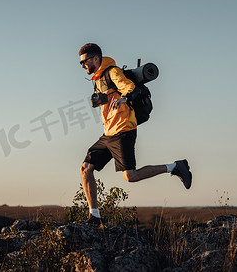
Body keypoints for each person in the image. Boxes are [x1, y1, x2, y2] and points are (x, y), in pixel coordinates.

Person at [79, 43, 192, 226]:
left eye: (84, 61)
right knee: (86, 168)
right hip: (109, 132)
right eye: (81, 62)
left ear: (95, 58)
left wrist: (125, 97)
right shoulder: (97, 79)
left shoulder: (112, 72)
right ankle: (94, 217)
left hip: (124, 129)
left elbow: (130, 88)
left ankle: (175, 167)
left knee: (130, 176)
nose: (83, 65)